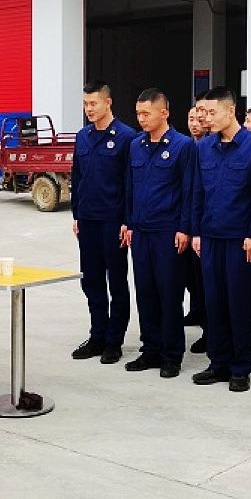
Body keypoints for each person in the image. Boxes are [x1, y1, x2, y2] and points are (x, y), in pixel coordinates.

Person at [190, 86, 251, 392]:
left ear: (231, 110)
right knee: (214, 302)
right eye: (203, 112)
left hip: (239, 239)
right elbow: (197, 192)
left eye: (212, 112)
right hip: (210, 236)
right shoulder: (204, 147)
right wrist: (196, 231)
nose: (206, 118)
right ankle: (218, 362)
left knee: (238, 302)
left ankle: (240, 367)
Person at [122, 89, 196, 378]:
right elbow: (130, 187)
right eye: (138, 114)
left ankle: (171, 355)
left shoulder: (182, 146)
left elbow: (189, 191)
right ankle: (150, 349)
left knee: (169, 294)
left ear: (164, 113)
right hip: (141, 231)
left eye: (146, 113)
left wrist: (185, 228)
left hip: (168, 232)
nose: (141, 119)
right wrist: (128, 222)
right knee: (146, 293)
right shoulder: (136, 145)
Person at [71, 81, 138, 364]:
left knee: (117, 282)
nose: (88, 109)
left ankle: (114, 340)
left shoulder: (127, 137)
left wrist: (127, 220)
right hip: (87, 220)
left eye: (93, 103)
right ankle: (97, 335)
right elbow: (77, 177)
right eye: (85, 104)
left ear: (108, 103)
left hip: (113, 221)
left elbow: (130, 183)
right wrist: (76, 214)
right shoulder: (83, 136)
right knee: (92, 281)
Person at [184, 97, 210, 353]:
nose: (196, 121)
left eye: (200, 115)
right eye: (191, 117)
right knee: (194, 280)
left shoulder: (209, 147)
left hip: (211, 229)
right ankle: (199, 315)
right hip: (192, 227)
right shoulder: (188, 147)